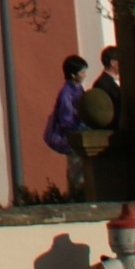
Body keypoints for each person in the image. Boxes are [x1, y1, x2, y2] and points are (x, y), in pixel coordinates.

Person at [44, 53, 90, 194]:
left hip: (78, 136)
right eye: (82, 72)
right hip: (72, 139)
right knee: (76, 173)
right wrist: (82, 128)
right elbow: (67, 118)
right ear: (73, 74)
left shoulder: (77, 90)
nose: (84, 75)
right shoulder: (67, 93)